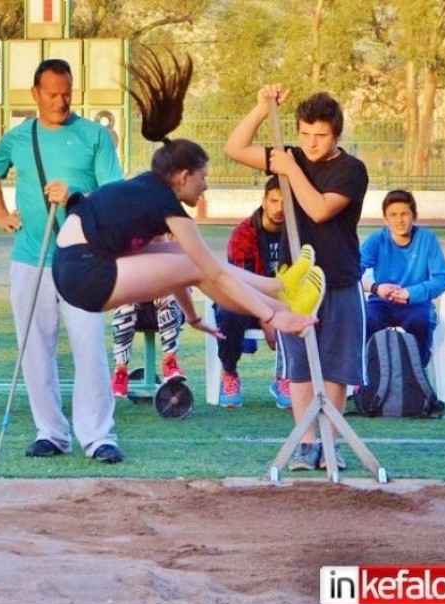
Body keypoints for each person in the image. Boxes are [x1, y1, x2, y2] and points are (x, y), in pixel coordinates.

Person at [50, 50, 325, 388]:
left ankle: (279, 286)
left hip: (77, 266)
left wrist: (192, 316)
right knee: (201, 264)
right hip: (84, 273)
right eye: (203, 177)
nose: (206, 186)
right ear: (182, 176)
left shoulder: (145, 195)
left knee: (186, 259)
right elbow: (211, 271)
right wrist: (270, 317)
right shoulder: (163, 203)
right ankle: (282, 300)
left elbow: (173, 268)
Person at [0, 58, 126, 464]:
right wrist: (0, 213)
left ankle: (98, 436)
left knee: (89, 346)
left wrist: (76, 193)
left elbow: (113, 195)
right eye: (52, 94)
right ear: (35, 94)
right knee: (34, 348)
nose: (61, 101)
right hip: (30, 257)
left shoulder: (96, 136)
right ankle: (51, 432)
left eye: (67, 93)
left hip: (83, 258)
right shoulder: (18, 138)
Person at [225, 84, 368, 472]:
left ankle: (330, 443)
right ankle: (307, 444)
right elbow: (235, 148)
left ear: (336, 134)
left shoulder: (350, 170)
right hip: (296, 282)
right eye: (304, 134)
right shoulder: (292, 157)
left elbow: (320, 209)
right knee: (301, 366)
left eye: (319, 135)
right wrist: (258, 109)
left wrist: (289, 170)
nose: (310, 142)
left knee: (337, 366)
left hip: (338, 278)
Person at [215, 176, 291, 409]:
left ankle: (286, 376)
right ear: (264, 201)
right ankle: (229, 373)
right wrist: (266, 316)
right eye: (274, 201)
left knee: (308, 309)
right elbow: (240, 285)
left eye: (285, 202)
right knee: (228, 312)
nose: (279, 208)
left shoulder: (298, 232)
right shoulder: (243, 234)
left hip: (284, 301)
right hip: (245, 300)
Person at [360, 189, 445, 367]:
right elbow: (350, 274)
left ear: (414, 216)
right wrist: (376, 288)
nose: (399, 220)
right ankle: (368, 378)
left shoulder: (427, 238)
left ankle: (415, 377)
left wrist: (411, 293)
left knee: (420, 322)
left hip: (416, 304)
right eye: (393, 215)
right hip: (381, 303)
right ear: (385, 219)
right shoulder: (377, 239)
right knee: (366, 320)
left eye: (404, 214)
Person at [110, 296, 185, 398]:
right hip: (136, 312)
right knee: (125, 305)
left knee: (168, 297)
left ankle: (170, 362)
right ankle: (120, 372)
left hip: (168, 309)